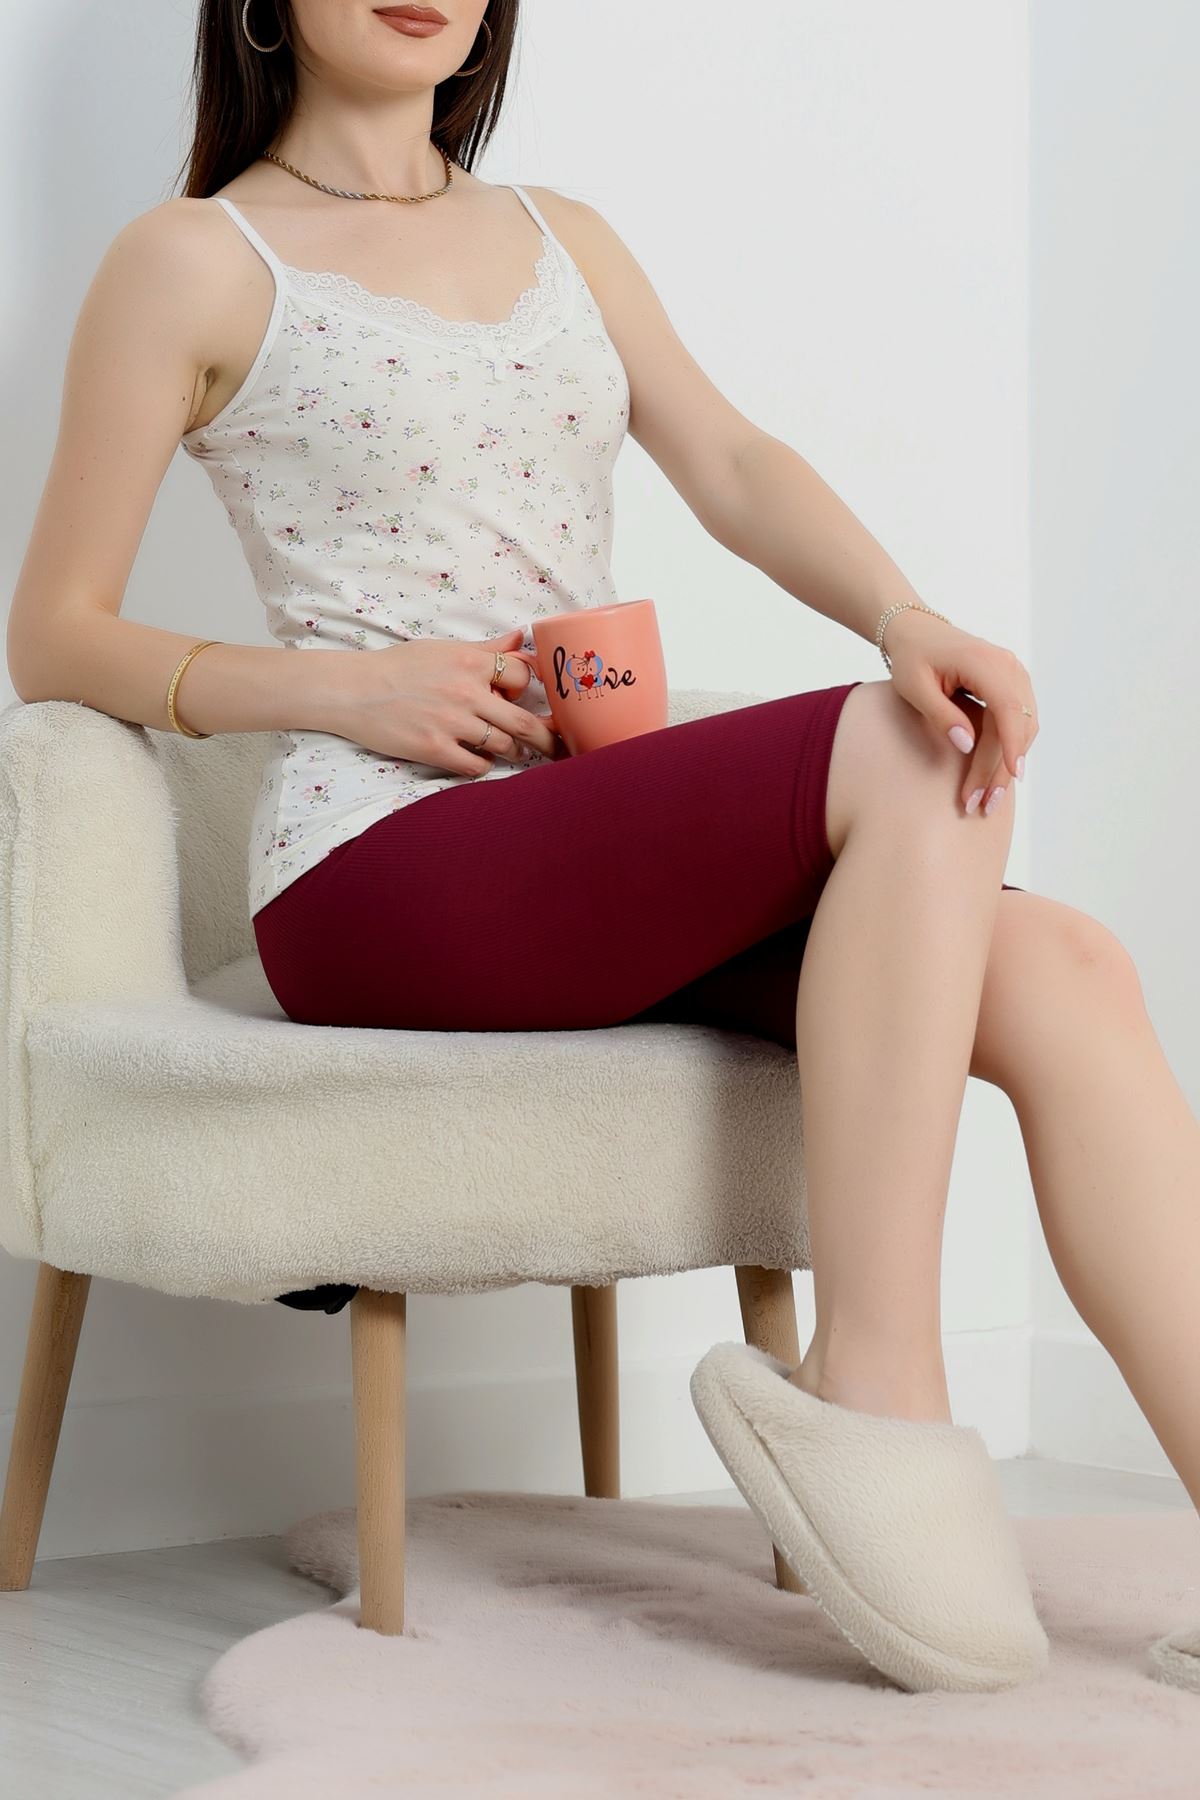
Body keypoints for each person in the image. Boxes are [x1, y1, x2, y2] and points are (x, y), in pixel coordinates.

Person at [8, 0, 1199, 1693]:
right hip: (380, 871)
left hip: (588, 838)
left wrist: (907, 615)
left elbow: (731, 459)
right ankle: (878, 1386)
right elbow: (53, 632)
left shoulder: (563, 235)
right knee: (892, 742)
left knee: (1067, 963)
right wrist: (349, 691)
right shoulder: (193, 259)